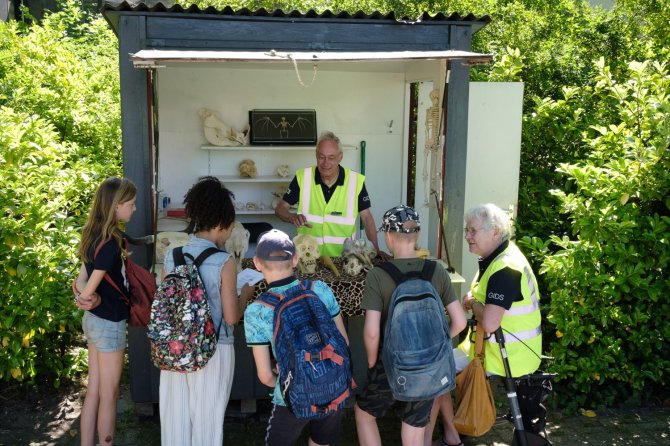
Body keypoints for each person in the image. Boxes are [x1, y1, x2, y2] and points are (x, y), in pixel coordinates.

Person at [428, 203, 543, 445]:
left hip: (506, 355)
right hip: (492, 348)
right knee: (437, 368)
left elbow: (490, 322)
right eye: (466, 230)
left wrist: (471, 304)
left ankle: (444, 437)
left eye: (473, 231)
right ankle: (452, 435)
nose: (467, 237)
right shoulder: (498, 257)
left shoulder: (505, 267)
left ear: (495, 231)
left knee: (434, 370)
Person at [355, 205, 467, 446]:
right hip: (428, 365)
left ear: (387, 236)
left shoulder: (377, 275)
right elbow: (460, 321)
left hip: (391, 361)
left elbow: (372, 332)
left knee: (365, 414)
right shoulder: (436, 270)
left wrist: (374, 362)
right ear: (416, 236)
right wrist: (436, 346)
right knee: (414, 427)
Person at [158, 176, 253, 446]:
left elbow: (168, 306)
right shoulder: (224, 261)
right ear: (222, 224)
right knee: (207, 427)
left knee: (175, 424)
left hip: (176, 349)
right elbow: (232, 317)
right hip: (213, 351)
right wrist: (244, 295)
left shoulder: (172, 256)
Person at [244, 229, 349, 446]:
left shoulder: (258, 311)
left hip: (291, 398)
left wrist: (292, 385)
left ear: (257, 263)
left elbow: (265, 376)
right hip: (333, 386)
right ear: (295, 259)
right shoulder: (320, 289)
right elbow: (344, 343)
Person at [73, 177, 137, 446]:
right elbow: (87, 290)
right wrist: (88, 298)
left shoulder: (93, 236)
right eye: (131, 204)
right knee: (109, 395)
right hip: (109, 324)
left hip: (93, 322)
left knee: (94, 393)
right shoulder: (111, 243)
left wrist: (86, 298)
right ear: (116, 206)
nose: (133, 209)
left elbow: (79, 283)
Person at [274, 131, 388, 259]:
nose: (326, 163)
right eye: (321, 157)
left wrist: (376, 250)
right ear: (316, 155)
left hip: (344, 258)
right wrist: (292, 217)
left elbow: (367, 218)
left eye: (331, 157)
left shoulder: (355, 181)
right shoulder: (302, 177)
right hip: (308, 258)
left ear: (340, 157)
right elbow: (280, 209)